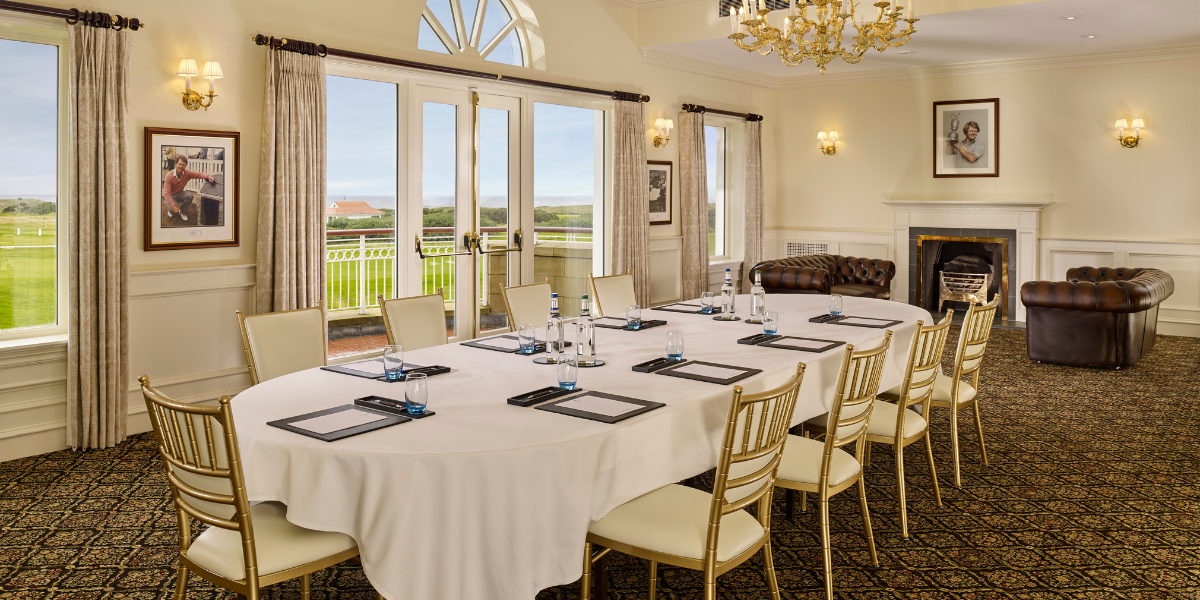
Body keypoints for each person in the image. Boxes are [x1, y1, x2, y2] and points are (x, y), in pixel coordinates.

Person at [162, 155, 215, 222]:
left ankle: (182, 212)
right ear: (176, 164)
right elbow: (167, 193)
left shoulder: (187, 173)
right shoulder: (169, 175)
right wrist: (173, 206)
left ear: (185, 166)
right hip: (171, 195)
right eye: (180, 164)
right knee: (171, 209)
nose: (181, 166)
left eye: (183, 165)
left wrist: (208, 177)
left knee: (190, 196)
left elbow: (198, 174)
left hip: (180, 193)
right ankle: (170, 210)